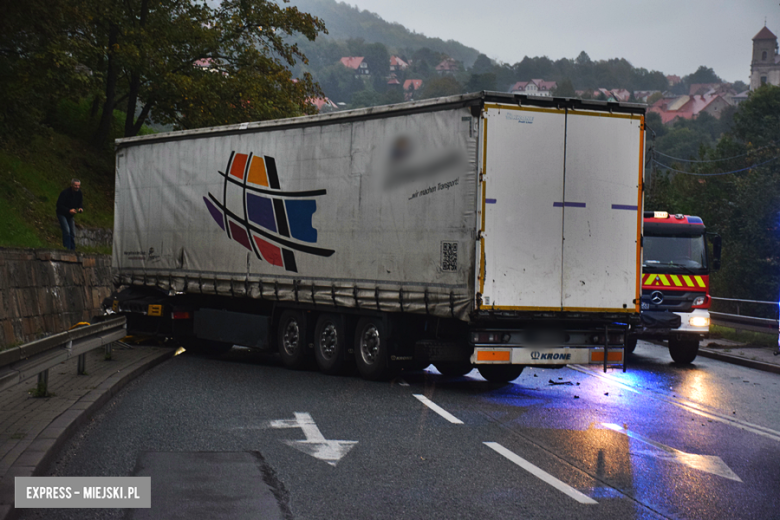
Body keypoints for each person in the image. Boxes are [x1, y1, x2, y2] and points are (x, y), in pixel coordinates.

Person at [56, 179, 83, 250]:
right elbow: (59, 205)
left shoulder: (79, 193)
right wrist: (68, 210)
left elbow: (80, 202)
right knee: (67, 231)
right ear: (71, 185)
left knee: (72, 232)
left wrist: (80, 208)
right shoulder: (65, 193)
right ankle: (66, 248)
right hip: (62, 214)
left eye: (78, 185)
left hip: (70, 215)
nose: (77, 187)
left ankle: (72, 249)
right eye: (75, 185)